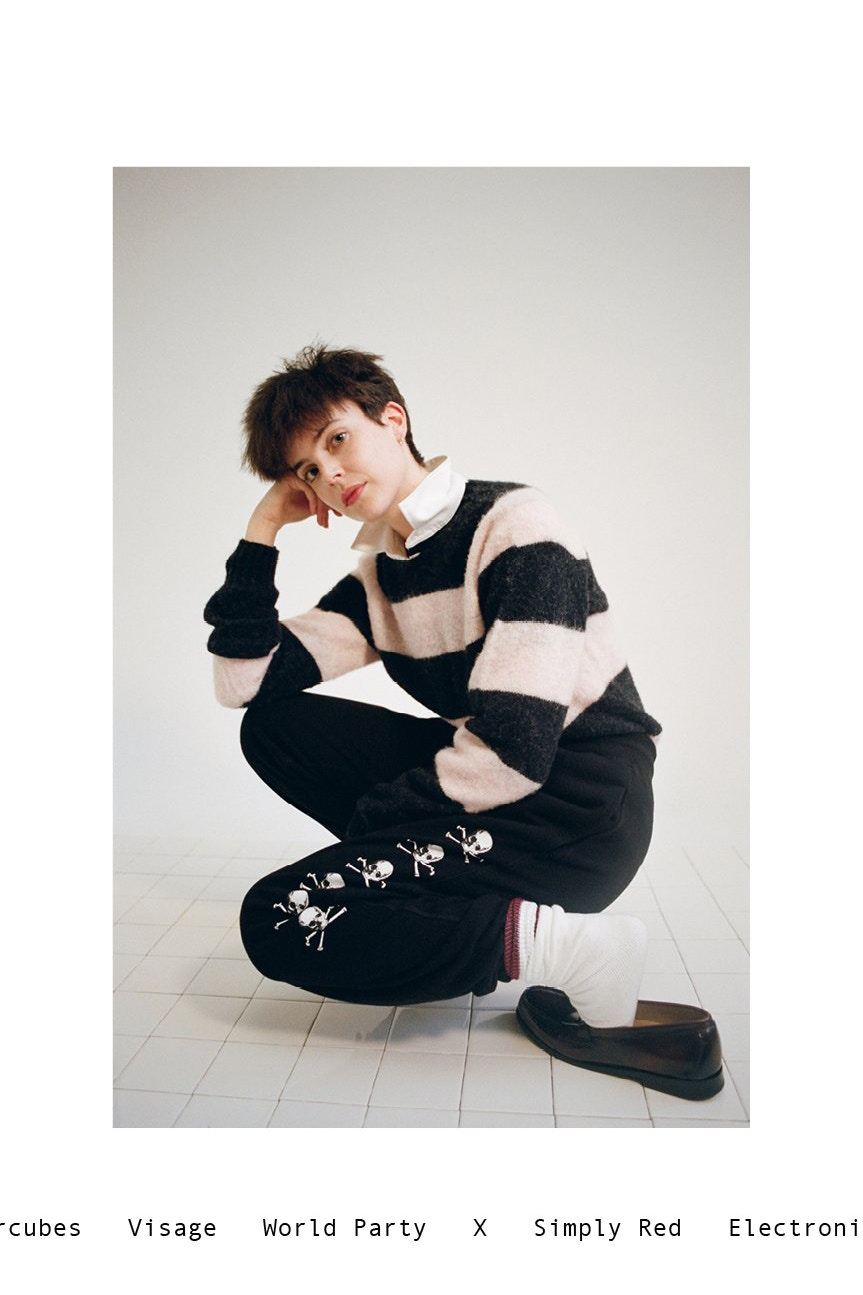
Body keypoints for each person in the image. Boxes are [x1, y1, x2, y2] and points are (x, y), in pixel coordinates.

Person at [203, 344, 723, 1100]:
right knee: (273, 727)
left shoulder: (515, 524)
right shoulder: (383, 575)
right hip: (496, 787)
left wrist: (378, 828)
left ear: (393, 418)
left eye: (338, 440)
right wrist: (262, 530)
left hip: (578, 809)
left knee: (282, 917)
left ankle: (571, 948)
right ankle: (445, 902)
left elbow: (513, 748)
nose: (329, 476)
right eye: (307, 471)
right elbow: (243, 684)